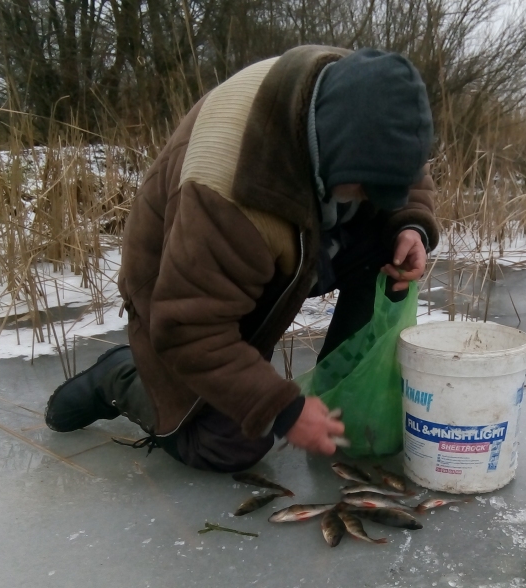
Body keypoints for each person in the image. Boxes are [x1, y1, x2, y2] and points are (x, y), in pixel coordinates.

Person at [44, 45, 438, 472]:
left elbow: (404, 169)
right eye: (365, 187)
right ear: (337, 150)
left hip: (290, 240)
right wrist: (282, 408)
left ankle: (340, 394)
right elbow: (191, 330)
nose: (375, 200)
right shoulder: (227, 194)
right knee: (228, 444)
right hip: (182, 285)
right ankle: (122, 376)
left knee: (388, 251)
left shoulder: (364, 94)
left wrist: (409, 225)